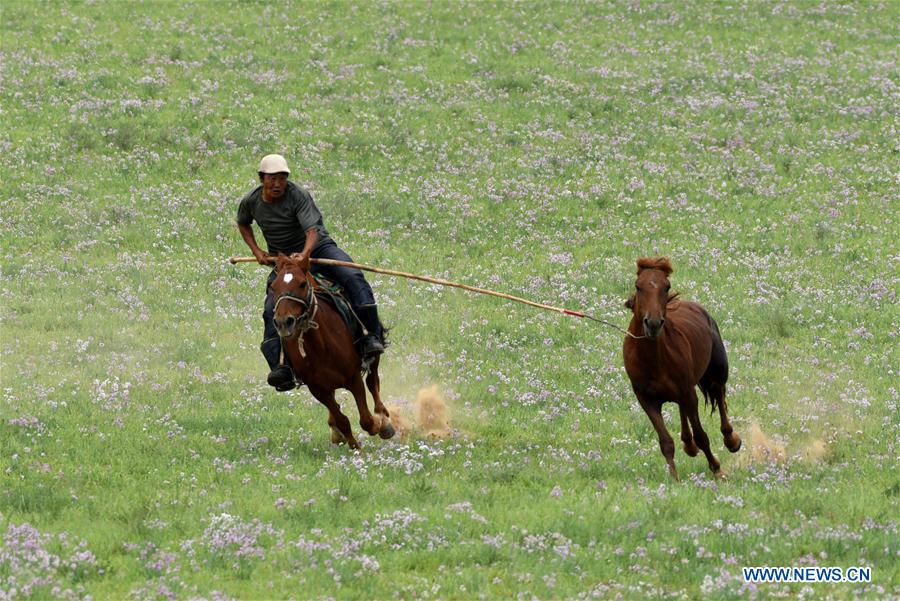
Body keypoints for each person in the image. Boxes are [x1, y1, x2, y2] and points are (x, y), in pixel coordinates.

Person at [236, 154, 386, 391]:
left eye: (282, 178)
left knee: (353, 276)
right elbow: (243, 222)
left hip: (318, 249)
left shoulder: (297, 195)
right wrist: (256, 250)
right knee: (270, 309)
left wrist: (305, 254)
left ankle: (371, 336)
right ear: (261, 178)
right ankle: (280, 366)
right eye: (272, 179)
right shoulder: (251, 201)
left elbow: (312, 229)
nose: (277, 184)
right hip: (284, 261)